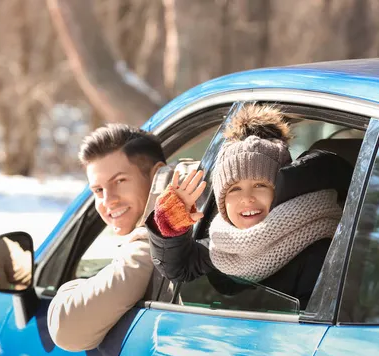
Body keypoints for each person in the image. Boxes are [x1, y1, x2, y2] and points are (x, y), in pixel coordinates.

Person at [147, 105, 349, 309]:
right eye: (234, 189)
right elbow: (179, 268)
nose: (247, 198)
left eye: (260, 185)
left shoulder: (316, 248)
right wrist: (170, 223)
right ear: (221, 201)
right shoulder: (222, 244)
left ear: (281, 190)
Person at [47, 123, 172, 352]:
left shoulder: (149, 247)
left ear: (159, 178)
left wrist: (71, 290)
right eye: (98, 190)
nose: (108, 200)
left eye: (119, 181)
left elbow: (66, 329)